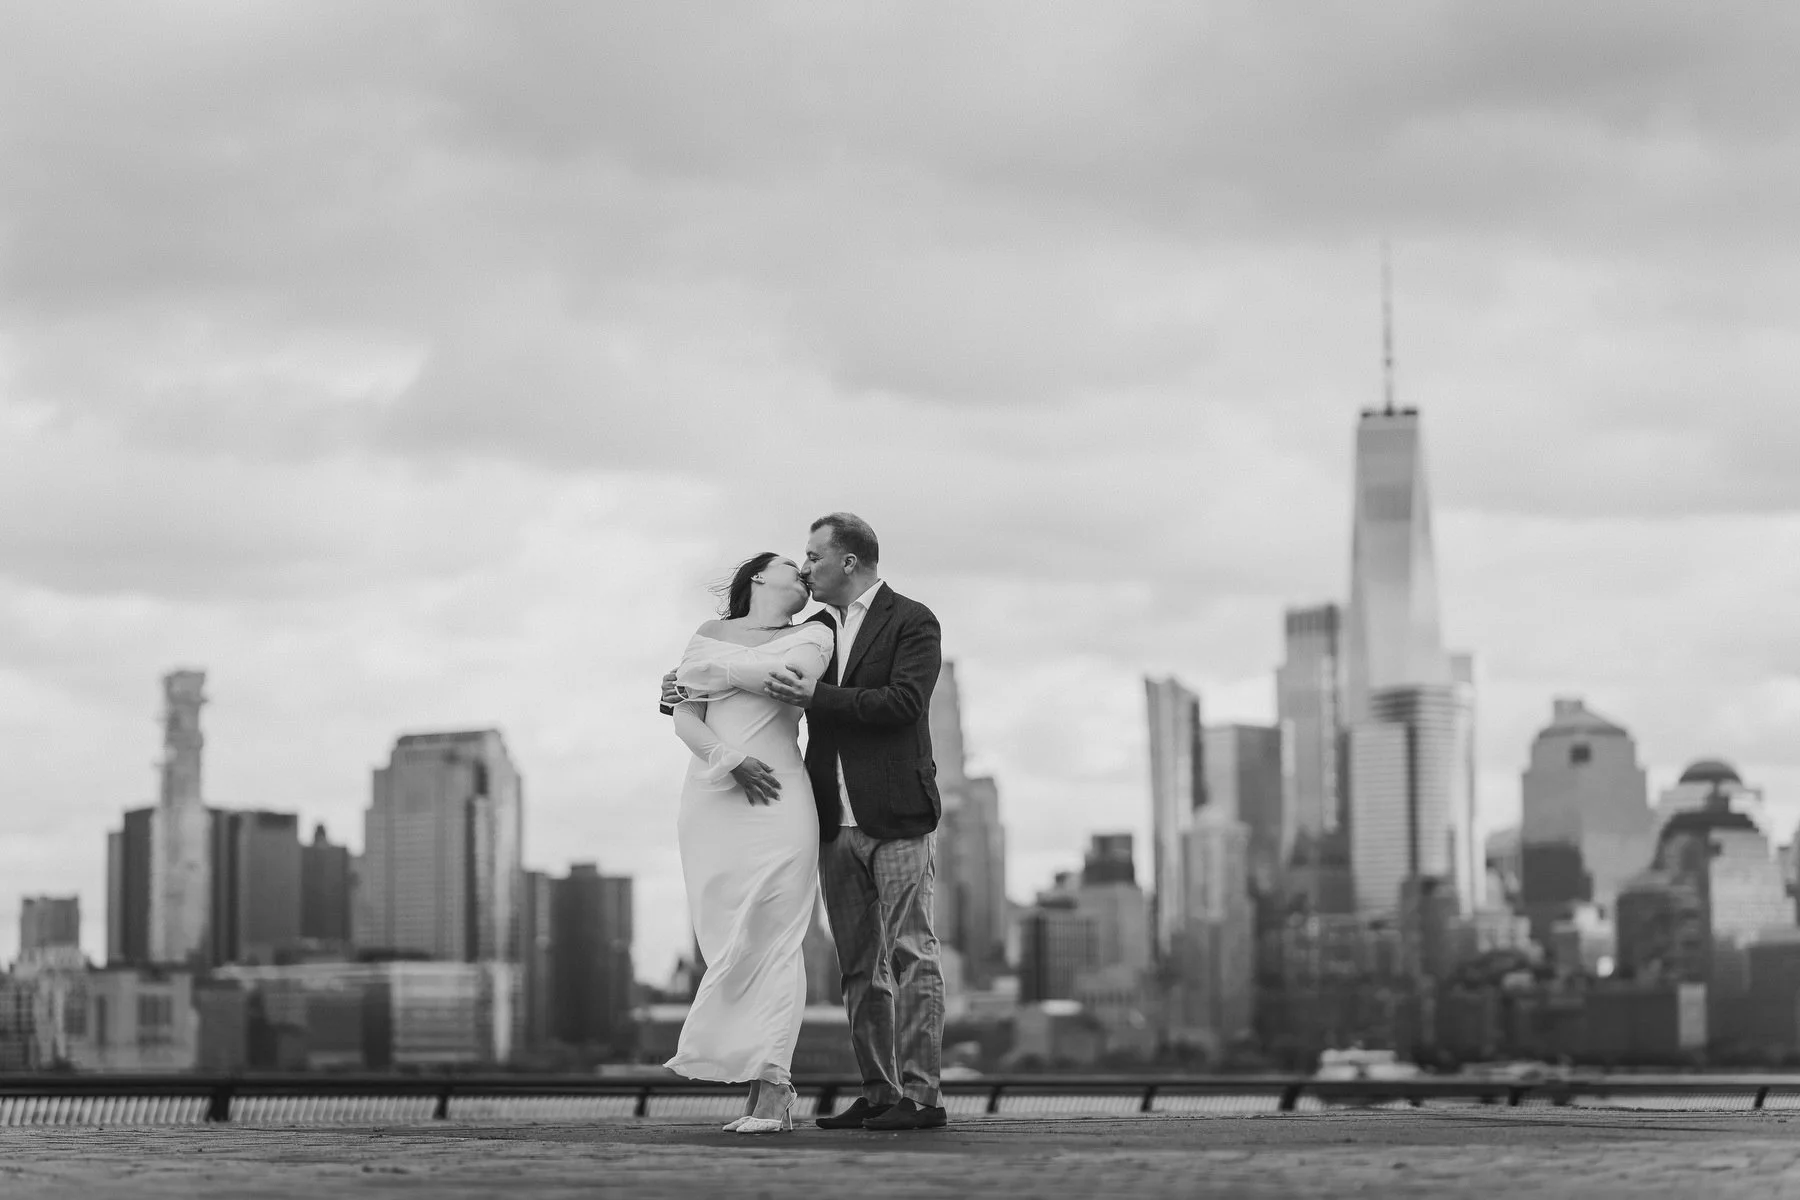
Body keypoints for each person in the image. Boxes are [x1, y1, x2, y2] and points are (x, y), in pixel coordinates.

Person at [662, 512, 949, 1132]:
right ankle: (879, 1093)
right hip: (829, 816)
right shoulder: (816, 625)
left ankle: (921, 1100)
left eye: (813, 557)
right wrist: (679, 687)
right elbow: (696, 689)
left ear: (848, 561)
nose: (806, 566)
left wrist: (801, 695)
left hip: (893, 811)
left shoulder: (912, 620)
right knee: (856, 965)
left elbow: (902, 704)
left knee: (909, 953)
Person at [662, 551, 834, 1134]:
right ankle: (748, 1072)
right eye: (793, 562)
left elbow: (795, 684)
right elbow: (684, 717)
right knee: (724, 937)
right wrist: (728, 758)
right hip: (713, 795)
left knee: (778, 939)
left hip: (781, 799)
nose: (805, 572)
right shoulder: (709, 633)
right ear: (759, 577)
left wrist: (717, 674)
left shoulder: (816, 631)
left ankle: (774, 1088)